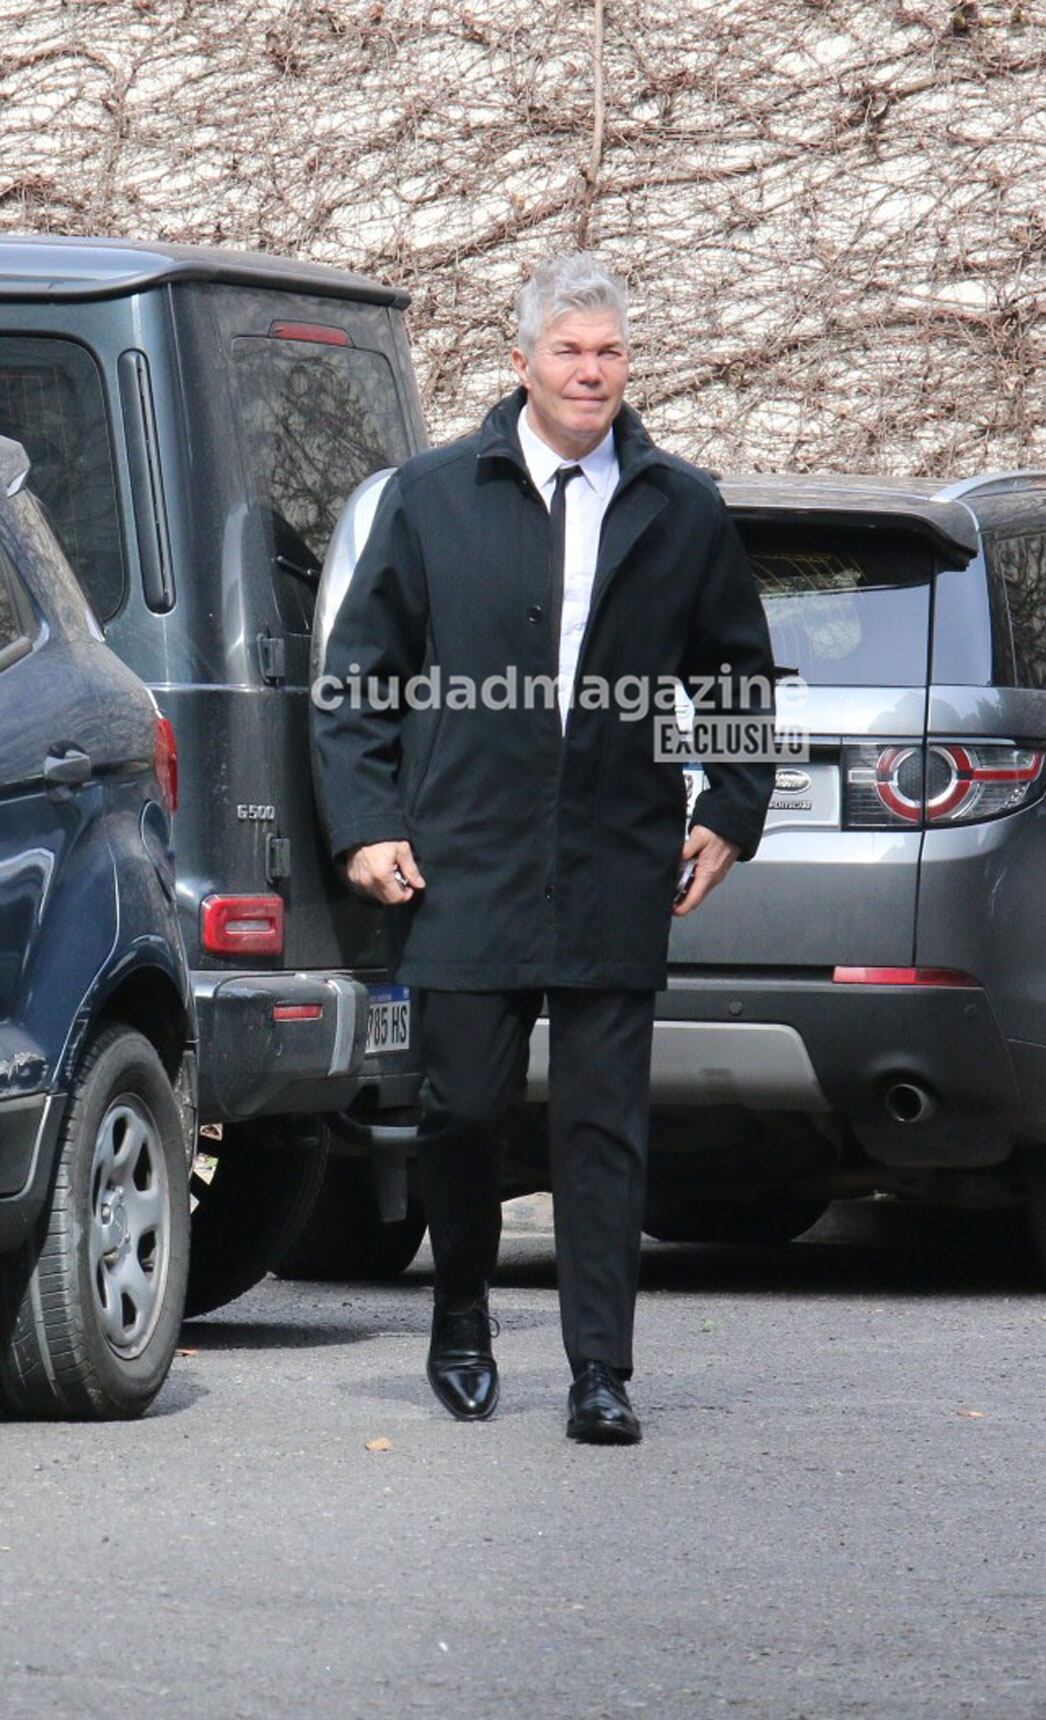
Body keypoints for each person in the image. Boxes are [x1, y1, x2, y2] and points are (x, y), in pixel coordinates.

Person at [313, 253, 776, 1444]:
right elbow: (357, 676)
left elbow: (734, 667)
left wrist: (730, 805)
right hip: (464, 854)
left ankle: (598, 1370)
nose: (588, 371)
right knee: (463, 1108)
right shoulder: (432, 495)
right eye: (567, 350)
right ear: (520, 361)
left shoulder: (681, 506)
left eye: (608, 352)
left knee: (601, 1121)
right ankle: (461, 1312)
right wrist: (365, 823)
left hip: (617, 853)